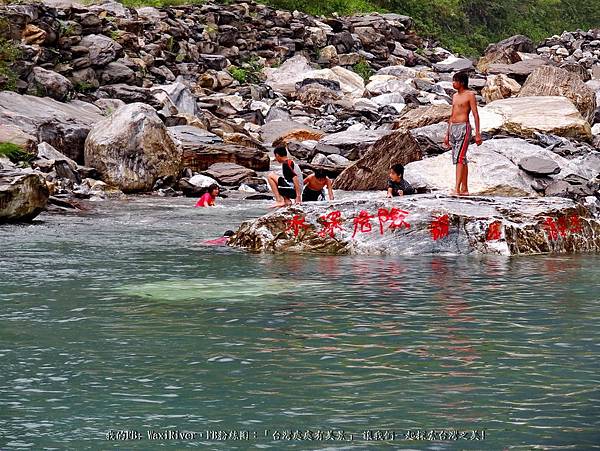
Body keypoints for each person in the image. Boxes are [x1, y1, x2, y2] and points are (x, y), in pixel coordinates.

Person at [443, 71, 482, 196]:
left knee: (459, 158)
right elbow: (452, 114)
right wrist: (447, 134)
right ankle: (464, 189)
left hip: (464, 128)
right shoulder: (454, 96)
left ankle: (457, 189)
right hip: (453, 127)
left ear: (462, 82)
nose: (453, 83)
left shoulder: (469, 95)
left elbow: (475, 114)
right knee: (461, 159)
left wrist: (477, 133)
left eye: (455, 81)